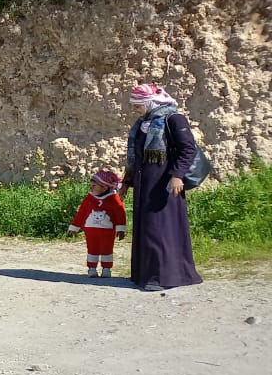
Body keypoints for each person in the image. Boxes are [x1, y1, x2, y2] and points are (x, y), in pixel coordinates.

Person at [119, 84, 203, 291]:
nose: (134, 109)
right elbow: (136, 156)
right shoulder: (142, 123)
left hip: (165, 185)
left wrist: (177, 175)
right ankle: (144, 275)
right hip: (145, 185)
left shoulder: (173, 119)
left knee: (159, 229)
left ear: (150, 102)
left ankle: (162, 277)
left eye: (138, 104)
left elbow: (188, 149)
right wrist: (127, 182)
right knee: (146, 228)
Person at [67, 170, 127, 278]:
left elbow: (120, 213)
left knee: (107, 248)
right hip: (91, 230)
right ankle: (92, 268)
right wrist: (74, 227)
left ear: (104, 187)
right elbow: (81, 213)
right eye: (91, 186)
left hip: (107, 231)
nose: (91, 188)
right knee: (92, 248)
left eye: (94, 186)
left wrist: (121, 229)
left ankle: (106, 269)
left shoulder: (113, 199)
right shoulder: (89, 198)